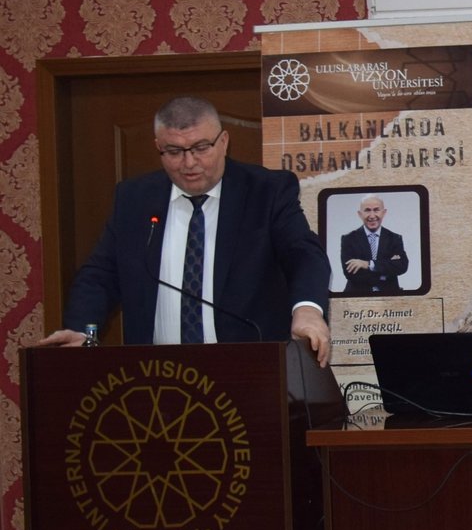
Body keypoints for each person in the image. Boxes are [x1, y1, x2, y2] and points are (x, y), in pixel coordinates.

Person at [39, 96, 332, 365]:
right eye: (174, 151)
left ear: (223, 142)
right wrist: (82, 330)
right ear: (158, 147)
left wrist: (307, 310)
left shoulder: (266, 191)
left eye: (201, 148)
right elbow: (101, 274)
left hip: (249, 370)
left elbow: (304, 254)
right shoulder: (134, 198)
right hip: (156, 375)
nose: (189, 163)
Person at [340, 195, 409, 295]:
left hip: (389, 297)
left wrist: (368, 264)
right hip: (358, 297)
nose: (372, 216)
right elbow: (351, 274)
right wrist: (385, 273)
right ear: (360, 214)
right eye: (367, 210)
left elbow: (402, 266)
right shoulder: (349, 239)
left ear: (384, 212)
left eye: (376, 210)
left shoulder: (395, 238)